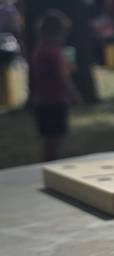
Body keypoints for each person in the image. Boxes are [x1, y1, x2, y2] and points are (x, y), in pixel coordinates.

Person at [30, 10, 82, 161]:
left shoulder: (38, 51)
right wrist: (75, 96)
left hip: (41, 101)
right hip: (55, 102)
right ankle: (52, 163)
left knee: (48, 139)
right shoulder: (53, 53)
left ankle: (49, 161)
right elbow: (63, 77)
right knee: (55, 139)